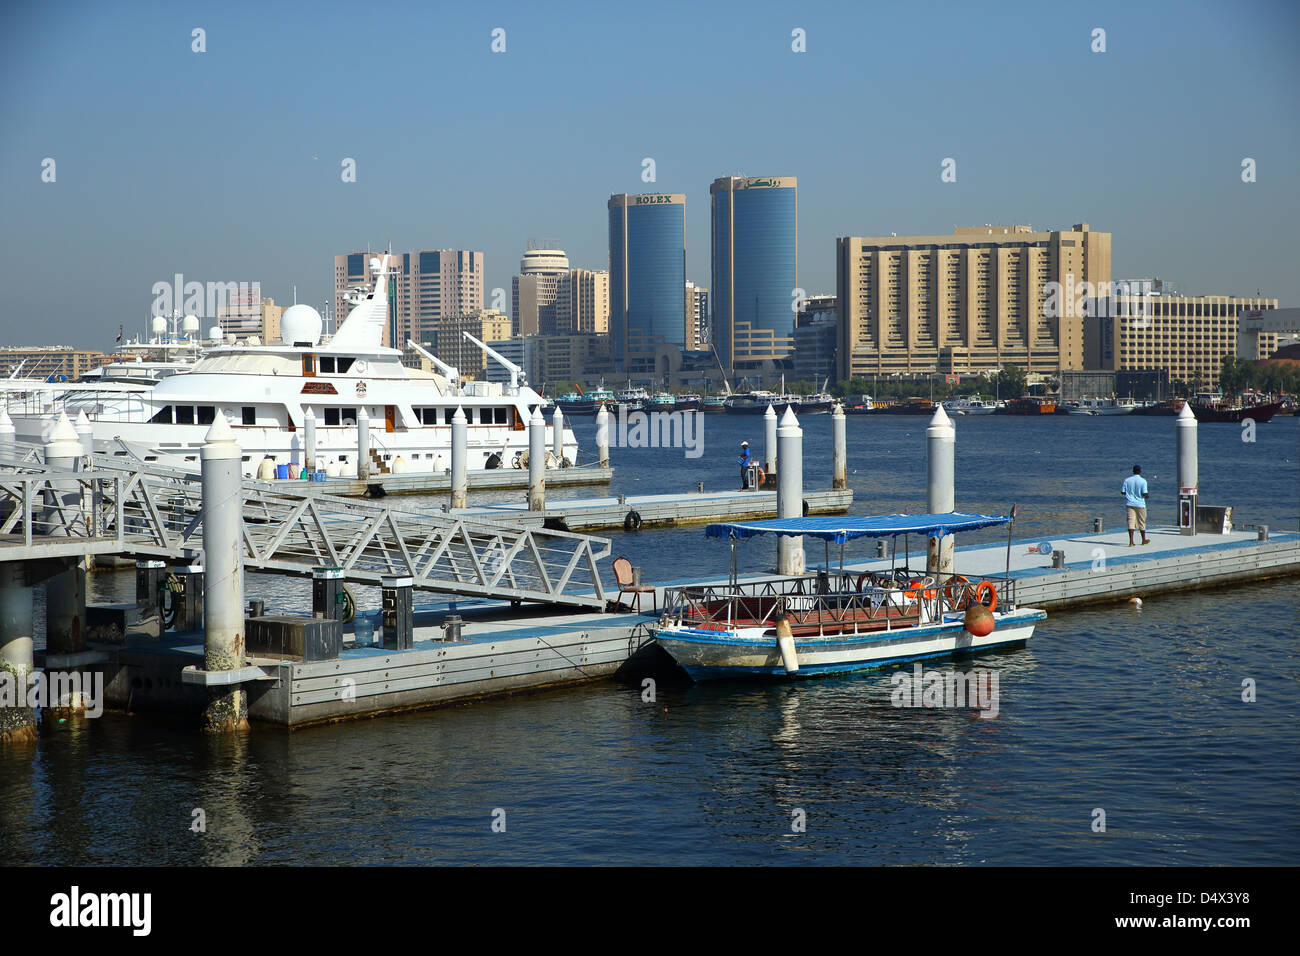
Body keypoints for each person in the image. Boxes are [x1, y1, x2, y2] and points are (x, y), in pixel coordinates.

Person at [1122, 464, 1150, 546]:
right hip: (1140, 504)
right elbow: (1145, 493)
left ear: (1133, 471)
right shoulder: (1143, 481)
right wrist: (1147, 496)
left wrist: (1129, 494)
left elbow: (1123, 492)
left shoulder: (1127, 480)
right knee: (1142, 522)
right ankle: (1143, 540)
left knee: (1131, 522)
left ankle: (1131, 542)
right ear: (1140, 471)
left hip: (1129, 503)